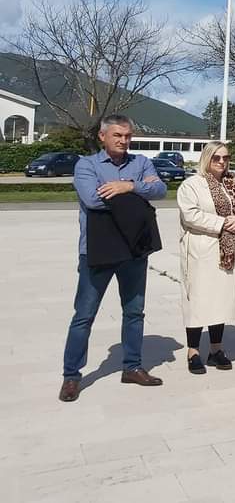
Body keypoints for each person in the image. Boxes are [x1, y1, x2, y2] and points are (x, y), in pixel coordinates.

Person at [60, 114, 167, 402]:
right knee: (84, 315)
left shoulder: (141, 162)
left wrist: (128, 186)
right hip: (98, 249)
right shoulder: (87, 165)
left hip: (134, 249)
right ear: (102, 137)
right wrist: (135, 190)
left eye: (127, 136)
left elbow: (160, 190)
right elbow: (92, 199)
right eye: (117, 135)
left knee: (134, 312)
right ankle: (71, 376)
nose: (123, 140)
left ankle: (132, 367)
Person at [176, 142, 235, 374]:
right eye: (216, 158)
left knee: (220, 300)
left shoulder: (233, 185)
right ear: (207, 159)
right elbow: (191, 216)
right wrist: (223, 224)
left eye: (225, 158)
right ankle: (193, 351)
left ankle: (216, 349)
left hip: (228, 251)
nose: (221, 162)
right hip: (202, 249)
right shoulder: (192, 185)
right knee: (198, 300)